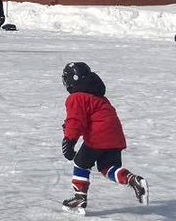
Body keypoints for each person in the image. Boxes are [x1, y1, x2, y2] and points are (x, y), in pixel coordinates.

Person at [59, 62, 149, 211]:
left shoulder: (77, 97)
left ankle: (80, 197)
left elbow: (76, 121)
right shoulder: (97, 96)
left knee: (81, 162)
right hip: (115, 135)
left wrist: (69, 141)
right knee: (108, 167)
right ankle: (133, 180)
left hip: (98, 136)